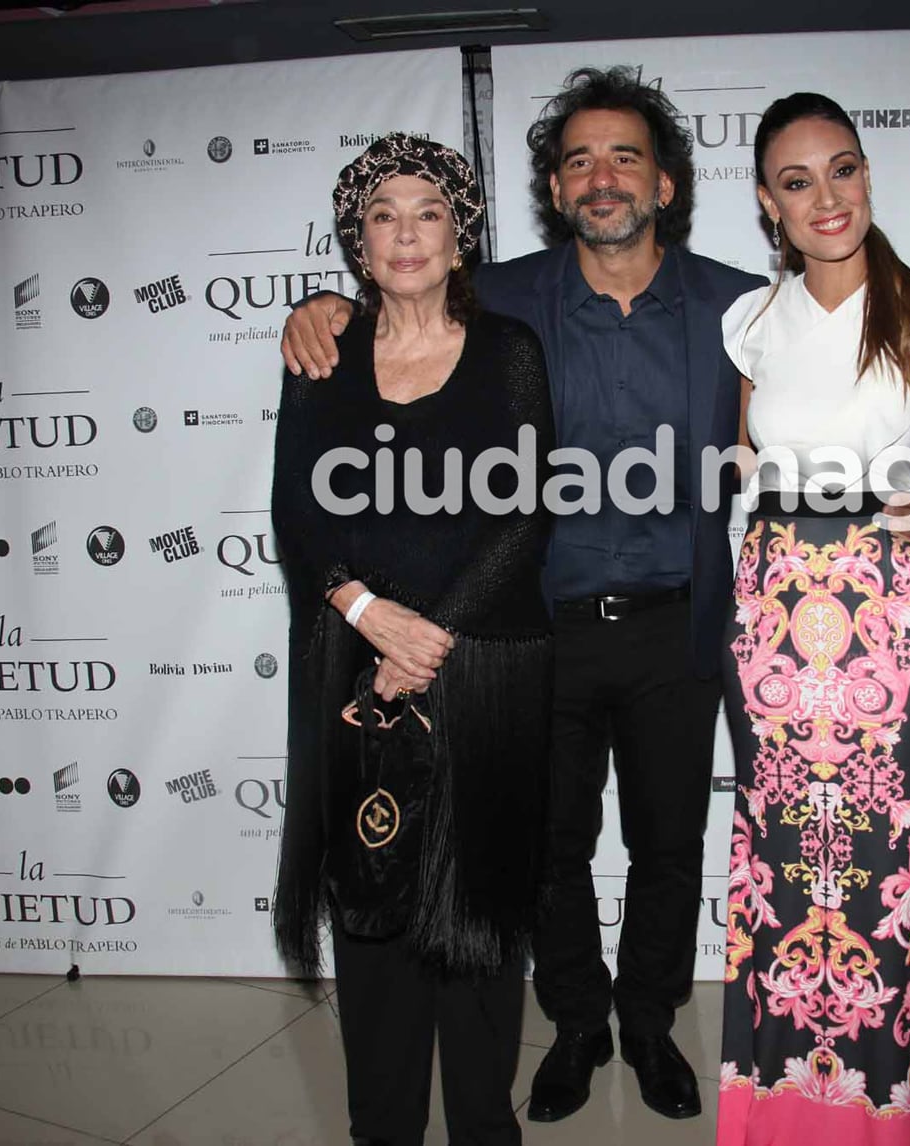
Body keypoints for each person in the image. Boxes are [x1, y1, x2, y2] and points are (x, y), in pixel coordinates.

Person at [281, 67, 768, 1123]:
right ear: (553, 185)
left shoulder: (741, 307)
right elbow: (392, 300)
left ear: (667, 183)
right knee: (543, 849)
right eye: (580, 158)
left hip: (675, 625)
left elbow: (838, 375)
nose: (603, 177)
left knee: (670, 843)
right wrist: (318, 307)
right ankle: (578, 1023)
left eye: (625, 155)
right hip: (530, 631)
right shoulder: (498, 298)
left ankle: (647, 1021)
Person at [269, 132, 554, 1146]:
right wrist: (364, 612)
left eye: (426, 212)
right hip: (353, 663)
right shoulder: (320, 353)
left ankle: (485, 1129)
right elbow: (297, 516)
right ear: (356, 237)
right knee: (370, 906)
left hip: (485, 667)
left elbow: (524, 513)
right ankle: (380, 1130)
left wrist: (431, 633)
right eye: (382, 214)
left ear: (459, 233)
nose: (404, 233)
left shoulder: (510, 351)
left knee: (476, 925)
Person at [716, 92, 910, 1145]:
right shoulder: (749, 321)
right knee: (780, 860)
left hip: (886, 612)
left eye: (843, 168)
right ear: (770, 206)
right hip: (774, 611)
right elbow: (746, 464)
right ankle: (782, 1107)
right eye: (797, 179)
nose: (827, 196)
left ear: (869, 175)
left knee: (886, 853)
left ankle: (893, 1113)